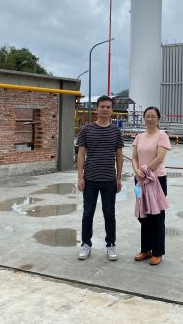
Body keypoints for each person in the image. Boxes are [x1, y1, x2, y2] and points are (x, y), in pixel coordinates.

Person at [77, 95, 124, 261]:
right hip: (90, 178)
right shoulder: (86, 130)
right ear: (96, 109)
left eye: (108, 107)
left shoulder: (116, 131)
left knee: (109, 214)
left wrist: (119, 178)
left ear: (112, 110)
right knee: (87, 213)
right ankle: (86, 244)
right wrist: (80, 177)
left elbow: (119, 155)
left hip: (109, 179)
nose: (105, 109)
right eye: (102, 106)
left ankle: (110, 244)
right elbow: (81, 154)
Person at [131, 106, 171, 266]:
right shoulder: (139, 137)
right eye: (147, 116)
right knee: (143, 215)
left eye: (153, 116)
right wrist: (136, 171)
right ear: (144, 118)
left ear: (158, 119)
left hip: (156, 180)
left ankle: (157, 252)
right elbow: (134, 157)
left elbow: (160, 158)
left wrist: (145, 170)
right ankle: (146, 249)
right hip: (139, 180)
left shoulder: (162, 136)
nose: (150, 119)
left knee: (157, 216)